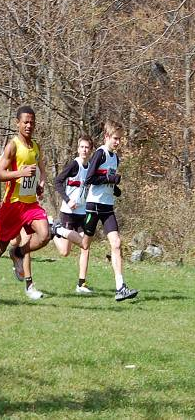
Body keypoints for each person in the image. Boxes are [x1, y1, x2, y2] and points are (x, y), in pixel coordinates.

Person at [0, 106, 51, 301]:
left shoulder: (35, 146)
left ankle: (17, 252)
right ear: (17, 123)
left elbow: (41, 172)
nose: (29, 125)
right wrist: (20, 173)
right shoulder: (13, 145)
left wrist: (39, 184)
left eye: (32, 122)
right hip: (13, 204)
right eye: (25, 122)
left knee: (45, 235)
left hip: (31, 204)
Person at [83, 121, 138, 301]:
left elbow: (109, 181)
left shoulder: (116, 158)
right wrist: (109, 178)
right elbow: (89, 179)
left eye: (120, 139)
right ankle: (80, 281)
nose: (118, 142)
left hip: (107, 206)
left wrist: (115, 188)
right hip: (93, 205)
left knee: (116, 243)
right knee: (84, 244)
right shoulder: (100, 153)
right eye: (115, 138)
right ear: (106, 137)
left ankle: (120, 287)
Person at [53, 135, 94, 294]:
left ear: (91, 150)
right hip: (68, 213)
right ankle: (54, 230)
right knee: (65, 252)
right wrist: (68, 200)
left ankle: (81, 284)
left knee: (86, 245)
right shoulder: (73, 165)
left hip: (82, 213)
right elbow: (57, 182)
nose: (84, 150)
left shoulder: (90, 167)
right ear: (78, 149)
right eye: (82, 147)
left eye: (87, 148)